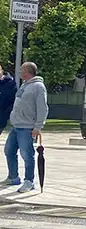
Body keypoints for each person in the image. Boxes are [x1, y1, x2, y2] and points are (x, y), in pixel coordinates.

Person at [5, 61, 47, 193]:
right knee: (9, 151)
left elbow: (43, 108)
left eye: (21, 69)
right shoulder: (25, 85)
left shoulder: (38, 87)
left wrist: (38, 127)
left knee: (27, 155)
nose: (19, 72)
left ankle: (29, 181)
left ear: (27, 72)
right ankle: (13, 177)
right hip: (16, 125)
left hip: (27, 127)